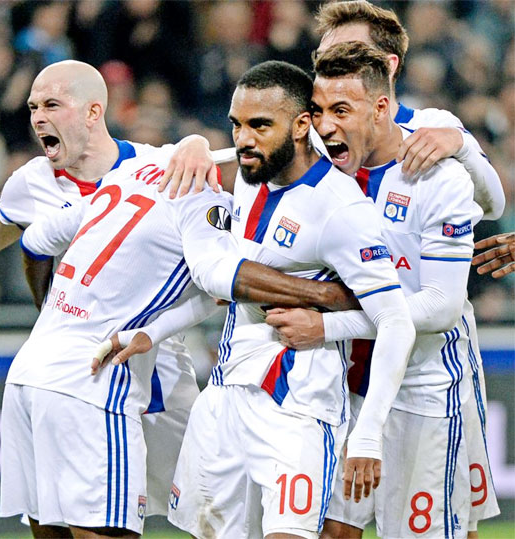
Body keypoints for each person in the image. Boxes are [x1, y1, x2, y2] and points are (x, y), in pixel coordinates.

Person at [0, 59, 222, 527]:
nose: (37, 117)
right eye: (32, 107)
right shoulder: (32, 182)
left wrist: (197, 143)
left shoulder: (156, 166)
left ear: (93, 112)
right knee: (64, 517)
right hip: (80, 372)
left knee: (209, 503)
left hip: (157, 365)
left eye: (52, 104)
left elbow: (222, 202)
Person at [1, 139, 358, 538]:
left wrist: (52, 311)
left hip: (29, 370)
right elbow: (218, 278)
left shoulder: (125, 175)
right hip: (94, 380)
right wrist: (327, 296)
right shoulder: (206, 203)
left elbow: (33, 242)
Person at [158, 60, 414, 539]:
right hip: (226, 394)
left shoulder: (340, 209)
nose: (243, 140)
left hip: (297, 407)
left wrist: (368, 432)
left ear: (301, 126)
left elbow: (396, 320)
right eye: (236, 125)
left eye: (259, 125)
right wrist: (192, 143)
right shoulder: (248, 174)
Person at [310, 3, 504, 536]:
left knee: (443, 522)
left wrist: (462, 146)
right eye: (325, 56)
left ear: (387, 68)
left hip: (429, 367)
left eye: (349, 53)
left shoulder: (432, 134)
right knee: (331, 527)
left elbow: (493, 204)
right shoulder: (318, 142)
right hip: (342, 374)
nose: (331, 63)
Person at [273, 41, 478, 539]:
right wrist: (193, 147)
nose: (325, 127)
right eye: (318, 111)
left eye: (341, 110)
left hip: (421, 389)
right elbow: (248, 148)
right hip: (344, 386)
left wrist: (325, 324)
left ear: (381, 107)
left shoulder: (440, 179)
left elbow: (441, 305)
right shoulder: (320, 175)